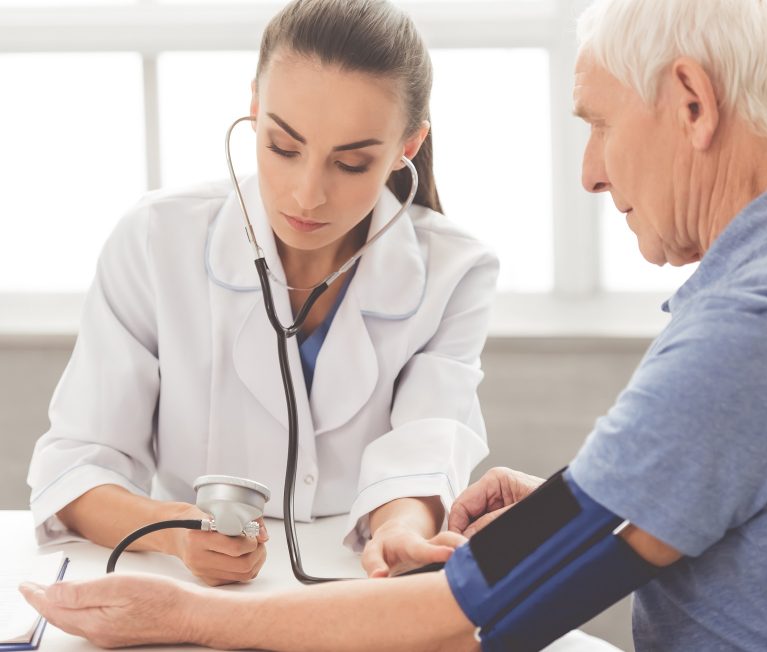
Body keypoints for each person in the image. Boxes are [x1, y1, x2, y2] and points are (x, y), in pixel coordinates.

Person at [21, 0, 767, 649]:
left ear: (691, 103)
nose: (590, 171)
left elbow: (494, 602)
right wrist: (583, 501)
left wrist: (195, 617)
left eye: (597, 123)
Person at [25, 0, 497, 586]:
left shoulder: (457, 271)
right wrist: (170, 530)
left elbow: (424, 449)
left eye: (351, 163)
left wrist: (400, 532)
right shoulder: (155, 239)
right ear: (254, 107)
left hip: (358, 582)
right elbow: (73, 468)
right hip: (186, 582)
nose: (307, 194)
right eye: (282, 147)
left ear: (408, 145)